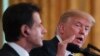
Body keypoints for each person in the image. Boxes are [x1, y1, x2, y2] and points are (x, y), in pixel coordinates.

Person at [29, 10, 95, 56]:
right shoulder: (41, 48)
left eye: (86, 29)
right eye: (78, 25)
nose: (83, 32)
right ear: (62, 28)